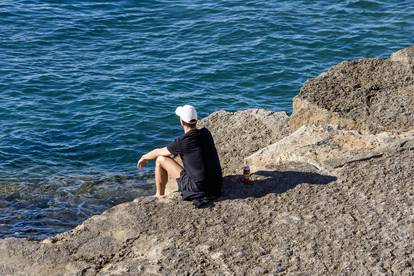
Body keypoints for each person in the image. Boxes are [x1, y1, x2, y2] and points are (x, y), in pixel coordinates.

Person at [137, 105, 223, 202]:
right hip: (216, 185)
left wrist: (144, 157)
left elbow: (158, 152)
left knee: (160, 159)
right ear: (196, 120)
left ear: (181, 122)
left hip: (199, 189)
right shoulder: (206, 133)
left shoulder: (182, 142)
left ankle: (159, 195)